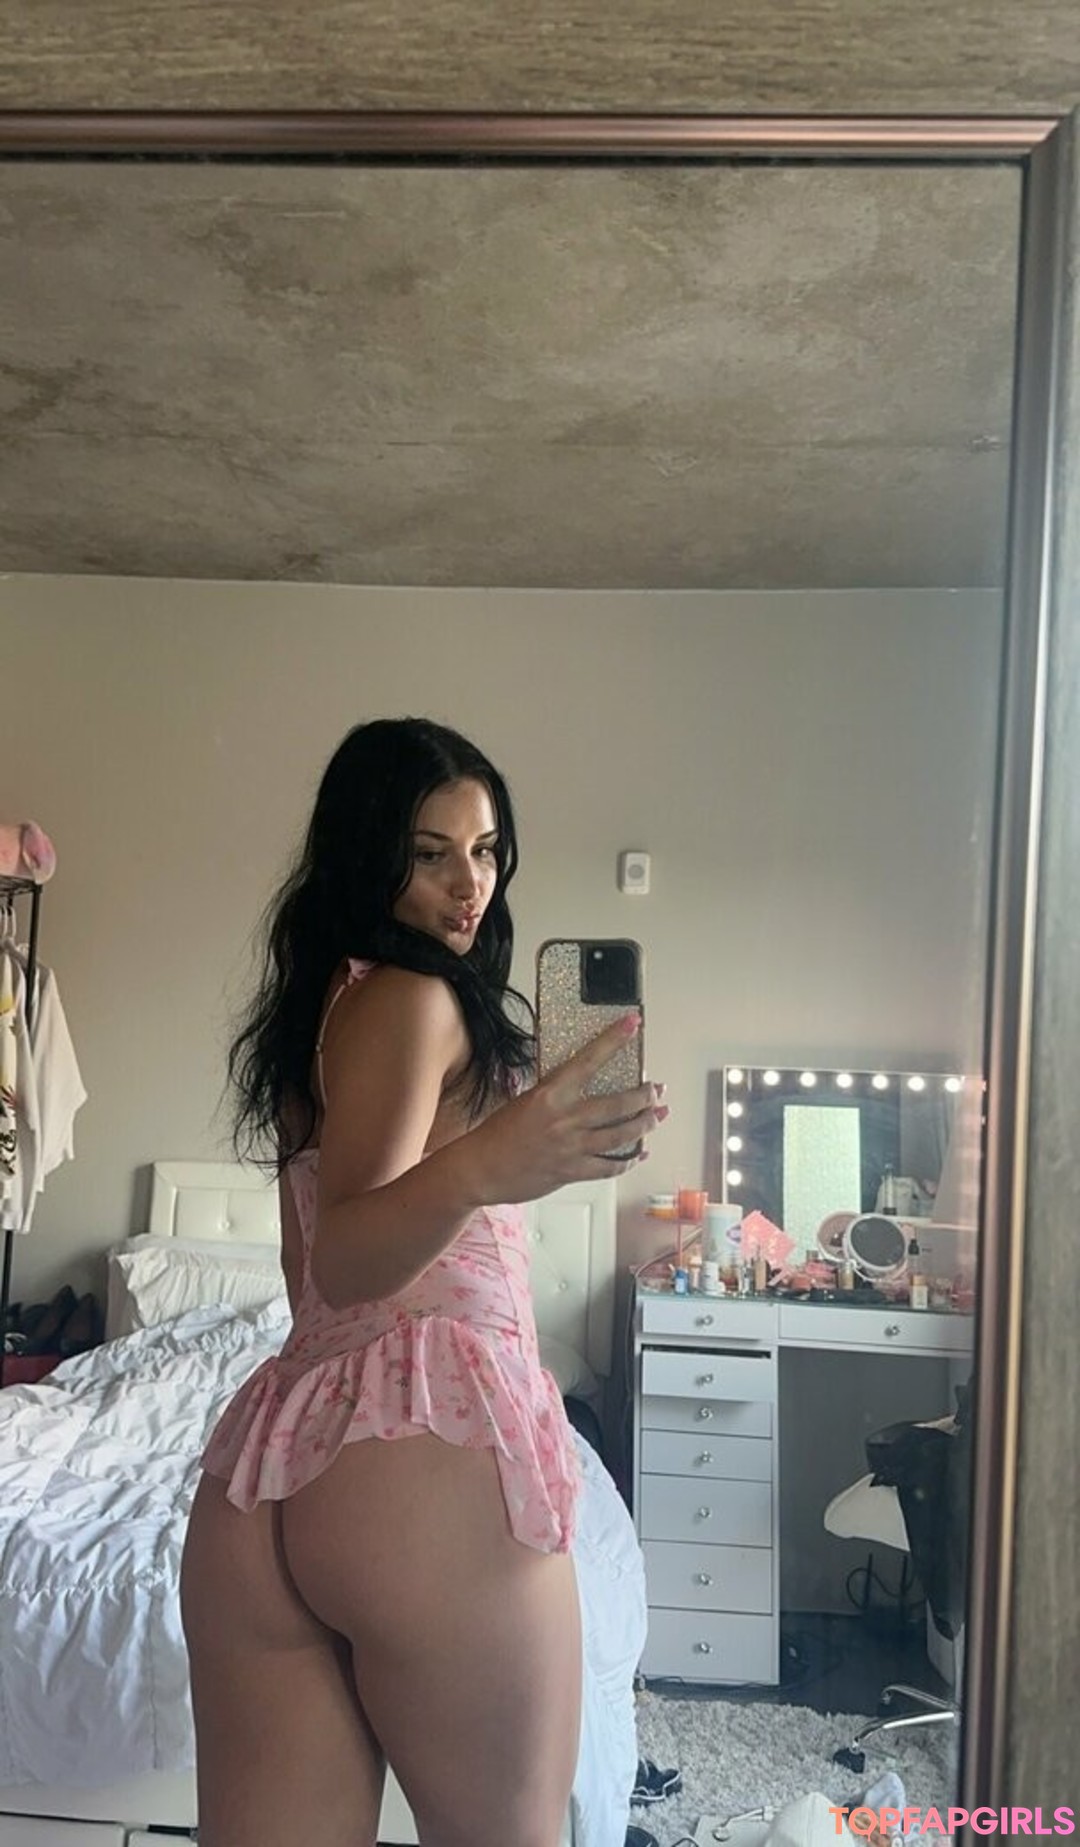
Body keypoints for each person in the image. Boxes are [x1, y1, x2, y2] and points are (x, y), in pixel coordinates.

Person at [179, 716, 667, 1847]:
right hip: (425, 1450)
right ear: (368, 854)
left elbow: (327, 1267)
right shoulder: (416, 997)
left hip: (273, 1465)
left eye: (486, 850)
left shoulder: (331, 1011)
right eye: (431, 851)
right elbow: (350, 1259)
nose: (469, 883)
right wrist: (491, 1162)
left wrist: (506, 1159)